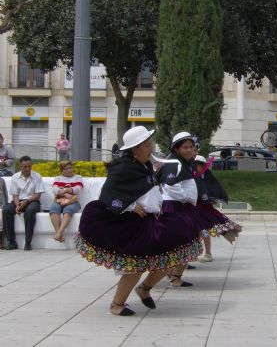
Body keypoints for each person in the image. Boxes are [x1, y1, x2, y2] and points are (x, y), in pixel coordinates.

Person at [76, 126, 202, 316]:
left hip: (151, 220)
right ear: (134, 149)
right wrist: (130, 206)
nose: (150, 149)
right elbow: (109, 194)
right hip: (130, 224)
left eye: (150, 144)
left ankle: (145, 288)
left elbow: (151, 185)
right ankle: (117, 305)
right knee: (135, 266)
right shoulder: (122, 167)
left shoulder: (144, 164)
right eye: (146, 146)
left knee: (173, 254)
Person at [156, 132, 241, 287]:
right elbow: (171, 186)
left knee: (188, 243)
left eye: (191, 147)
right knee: (183, 243)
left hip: (182, 206)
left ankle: (174, 276)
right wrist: (186, 198)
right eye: (185, 147)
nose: (189, 150)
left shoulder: (184, 162)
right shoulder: (175, 163)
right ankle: (168, 278)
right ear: (176, 148)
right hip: (175, 207)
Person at [194, 154, 242, 263]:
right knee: (195, 231)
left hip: (204, 209)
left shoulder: (206, 177)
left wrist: (211, 199)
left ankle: (207, 253)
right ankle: (195, 253)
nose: (196, 167)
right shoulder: (192, 176)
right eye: (195, 165)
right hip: (193, 208)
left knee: (204, 230)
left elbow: (214, 189)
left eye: (198, 165)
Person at [2, 156, 45, 250]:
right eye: (25, 167)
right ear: (20, 167)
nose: (27, 169)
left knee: (30, 211)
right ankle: (11, 242)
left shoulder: (37, 176)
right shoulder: (15, 177)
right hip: (18, 201)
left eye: (29, 166)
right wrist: (17, 205)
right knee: (6, 210)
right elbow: (15, 194)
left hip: (32, 201)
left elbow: (37, 195)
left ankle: (28, 242)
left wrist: (27, 201)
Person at [49, 161, 83, 243]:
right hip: (59, 200)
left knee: (68, 211)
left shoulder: (78, 177)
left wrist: (65, 190)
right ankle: (59, 233)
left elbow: (78, 189)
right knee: (53, 209)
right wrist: (68, 193)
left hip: (73, 202)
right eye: (66, 169)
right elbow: (55, 190)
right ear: (62, 170)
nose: (69, 170)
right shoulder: (58, 178)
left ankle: (59, 233)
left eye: (70, 168)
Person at [0, 177, 8, 249]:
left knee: (1, 216)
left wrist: (5, 205)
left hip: (1, 206)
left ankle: (1, 240)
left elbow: (5, 195)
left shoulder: (2, 181)